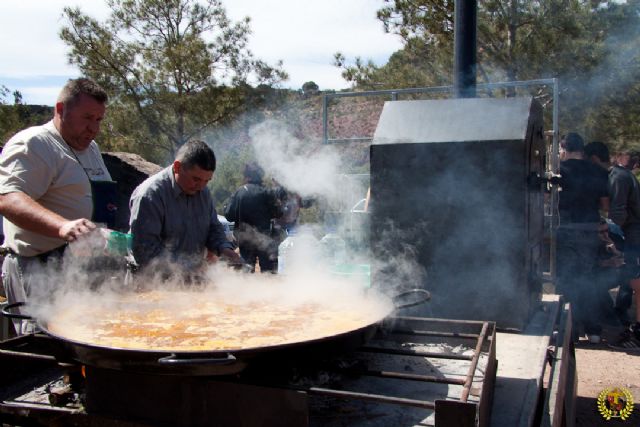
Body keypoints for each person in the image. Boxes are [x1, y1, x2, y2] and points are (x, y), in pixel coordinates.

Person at [0, 78, 114, 333]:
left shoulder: (90, 148)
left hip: (77, 267)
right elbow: (7, 198)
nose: (93, 127)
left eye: (98, 120)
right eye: (87, 118)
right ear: (61, 110)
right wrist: (62, 226)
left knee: (82, 342)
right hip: (38, 266)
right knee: (46, 348)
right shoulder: (35, 144)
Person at [128, 140, 240, 282]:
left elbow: (213, 227)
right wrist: (190, 267)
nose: (201, 186)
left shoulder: (203, 193)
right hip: (153, 284)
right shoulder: (150, 195)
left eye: (207, 181)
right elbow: (145, 251)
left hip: (190, 282)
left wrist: (225, 249)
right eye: (196, 179)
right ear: (177, 167)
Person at [556, 133, 609, 343]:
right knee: (589, 279)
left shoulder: (559, 171)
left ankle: (572, 331)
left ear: (564, 148)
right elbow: (605, 205)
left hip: (566, 230)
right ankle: (594, 331)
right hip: (590, 230)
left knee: (567, 279)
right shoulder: (598, 171)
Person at [608, 149, 640, 350]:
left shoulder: (620, 176)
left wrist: (610, 227)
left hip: (631, 236)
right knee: (633, 282)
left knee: (634, 281)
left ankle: (634, 332)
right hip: (632, 235)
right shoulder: (627, 177)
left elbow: (618, 211)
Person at [224, 163, 282, 273]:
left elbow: (229, 215)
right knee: (269, 274)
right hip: (265, 240)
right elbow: (279, 213)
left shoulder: (239, 192)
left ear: (247, 177)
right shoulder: (268, 192)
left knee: (246, 272)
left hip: (245, 240)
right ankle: (270, 290)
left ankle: (247, 289)